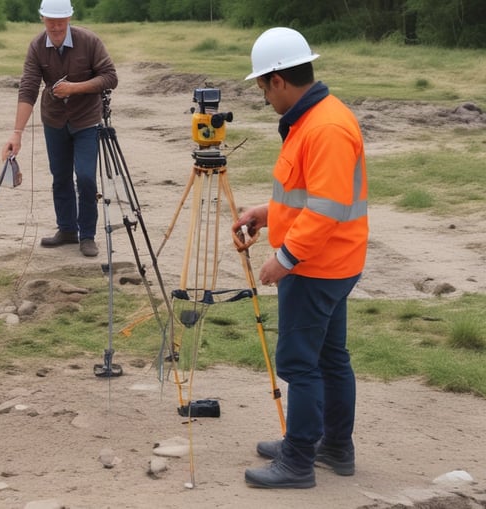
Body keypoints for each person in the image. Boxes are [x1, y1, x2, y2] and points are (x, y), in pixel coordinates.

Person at [232, 27, 369, 488]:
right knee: (330, 359)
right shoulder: (313, 119)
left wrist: (285, 258)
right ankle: (331, 446)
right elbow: (307, 196)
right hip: (330, 262)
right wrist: (267, 214)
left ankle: (298, 461)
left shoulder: (325, 126)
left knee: (299, 364)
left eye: (261, 88)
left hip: (317, 267)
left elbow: (326, 209)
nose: (263, 97)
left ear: (277, 80)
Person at [1, 0, 118, 257]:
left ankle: (87, 235)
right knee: (60, 177)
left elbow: (110, 77)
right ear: (42, 18)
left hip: (87, 119)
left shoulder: (89, 41)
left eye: (61, 21)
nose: (55, 26)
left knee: (86, 177)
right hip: (54, 120)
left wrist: (75, 87)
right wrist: (17, 133)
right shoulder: (36, 46)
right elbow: (29, 88)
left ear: (69, 19)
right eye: (50, 20)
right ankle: (67, 230)